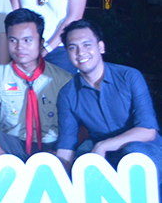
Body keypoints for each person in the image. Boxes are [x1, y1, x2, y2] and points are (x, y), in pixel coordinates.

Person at [56, 20, 162, 186]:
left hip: (147, 152)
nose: (80, 52)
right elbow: (66, 144)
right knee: (81, 167)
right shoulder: (67, 94)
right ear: (68, 55)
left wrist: (103, 145)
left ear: (101, 47)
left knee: (134, 152)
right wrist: (61, 180)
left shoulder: (129, 76)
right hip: (106, 160)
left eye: (86, 44)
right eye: (72, 47)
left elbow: (148, 130)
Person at [0, 9, 71, 162]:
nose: (19, 47)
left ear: (41, 42)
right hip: (12, 143)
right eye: (13, 40)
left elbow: (78, 124)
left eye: (27, 40)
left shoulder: (63, 78)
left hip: (52, 144)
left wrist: (62, 150)